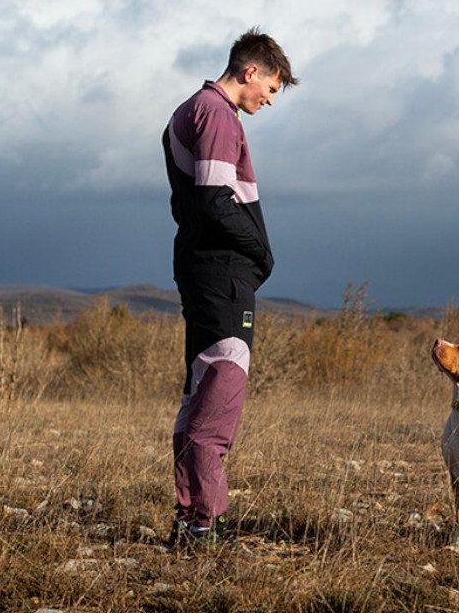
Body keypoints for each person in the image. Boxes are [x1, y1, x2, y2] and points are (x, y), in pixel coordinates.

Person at [161, 28, 297, 548]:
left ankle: (191, 516)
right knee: (221, 389)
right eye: (271, 89)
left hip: (204, 270)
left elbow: (191, 206)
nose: (269, 100)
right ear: (251, 72)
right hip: (221, 275)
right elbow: (217, 200)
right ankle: (205, 524)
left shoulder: (188, 111)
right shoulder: (216, 114)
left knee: (201, 390)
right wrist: (262, 253)